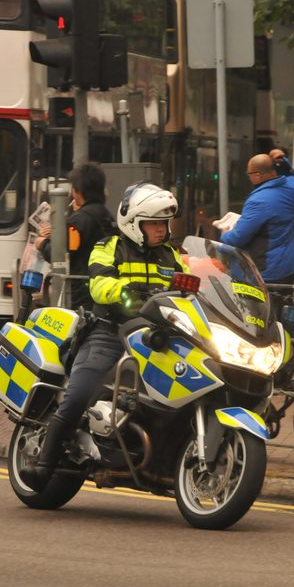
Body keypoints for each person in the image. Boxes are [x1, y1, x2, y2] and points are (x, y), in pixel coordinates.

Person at [20, 182, 187, 492]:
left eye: (163, 223)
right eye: (154, 223)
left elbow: (189, 291)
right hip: (109, 333)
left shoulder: (171, 256)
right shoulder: (109, 246)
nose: (161, 230)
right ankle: (42, 464)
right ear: (135, 224)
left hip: (153, 339)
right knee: (80, 396)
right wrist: (126, 294)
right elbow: (99, 286)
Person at [34, 162, 115, 309]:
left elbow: (62, 254)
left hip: (81, 294)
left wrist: (42, 244)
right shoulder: (107, 216)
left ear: (78, 191)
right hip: (102, 288)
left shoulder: (79, 220)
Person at [220, 150, 294, 292]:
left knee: (260, 313)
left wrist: (224, 236)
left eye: (249, 174)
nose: (249, 177)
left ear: (257, 176)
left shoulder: (259, 201)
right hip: (288, 268)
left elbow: (237, 238)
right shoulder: (290, 188)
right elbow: (292, 175)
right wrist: (282, 160)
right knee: (284, 309)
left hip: (265, 273)